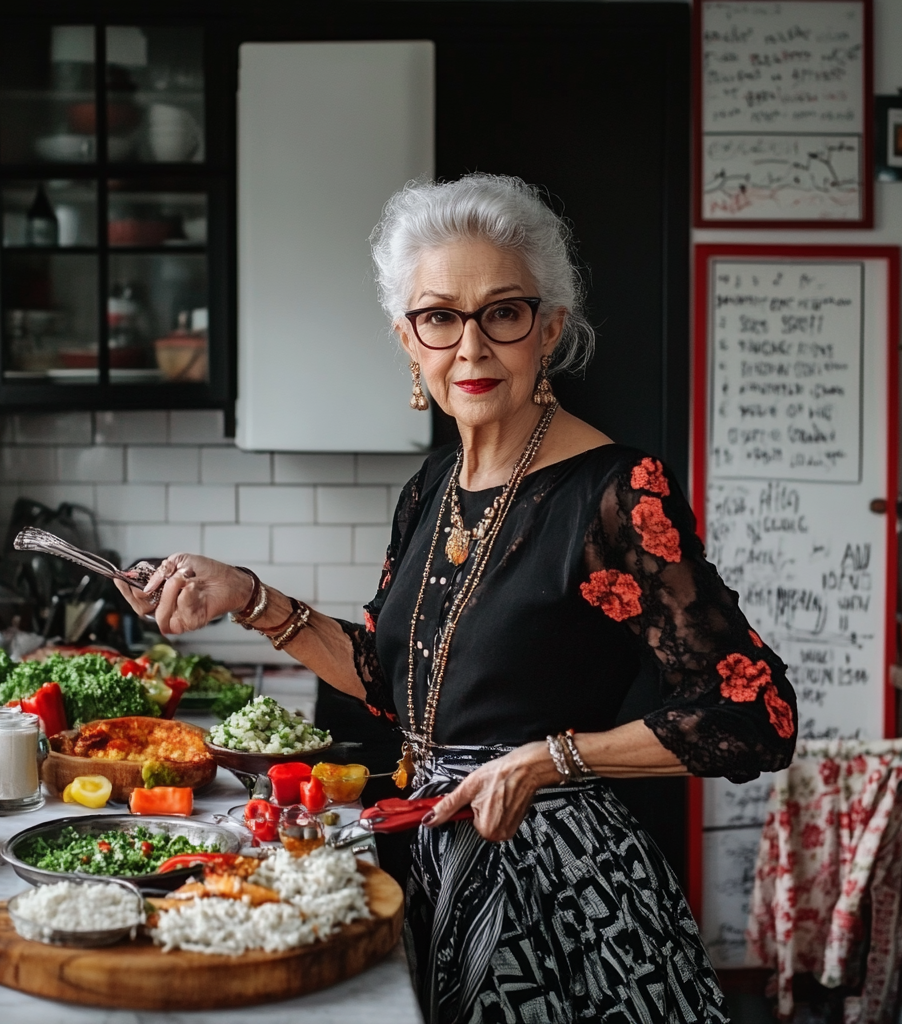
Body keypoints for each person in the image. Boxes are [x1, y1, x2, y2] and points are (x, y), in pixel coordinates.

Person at [117, 173, 797, 1024]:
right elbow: (393, 682)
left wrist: (552, 758)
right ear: (408, 338)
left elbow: (755, 710)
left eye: (502, 313)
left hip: (559, 903)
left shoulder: (617, 493)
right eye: (440, 317)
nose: (470, 348)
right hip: (429, 858)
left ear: (547, 329)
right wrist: (246, 595)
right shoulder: (433, 487)